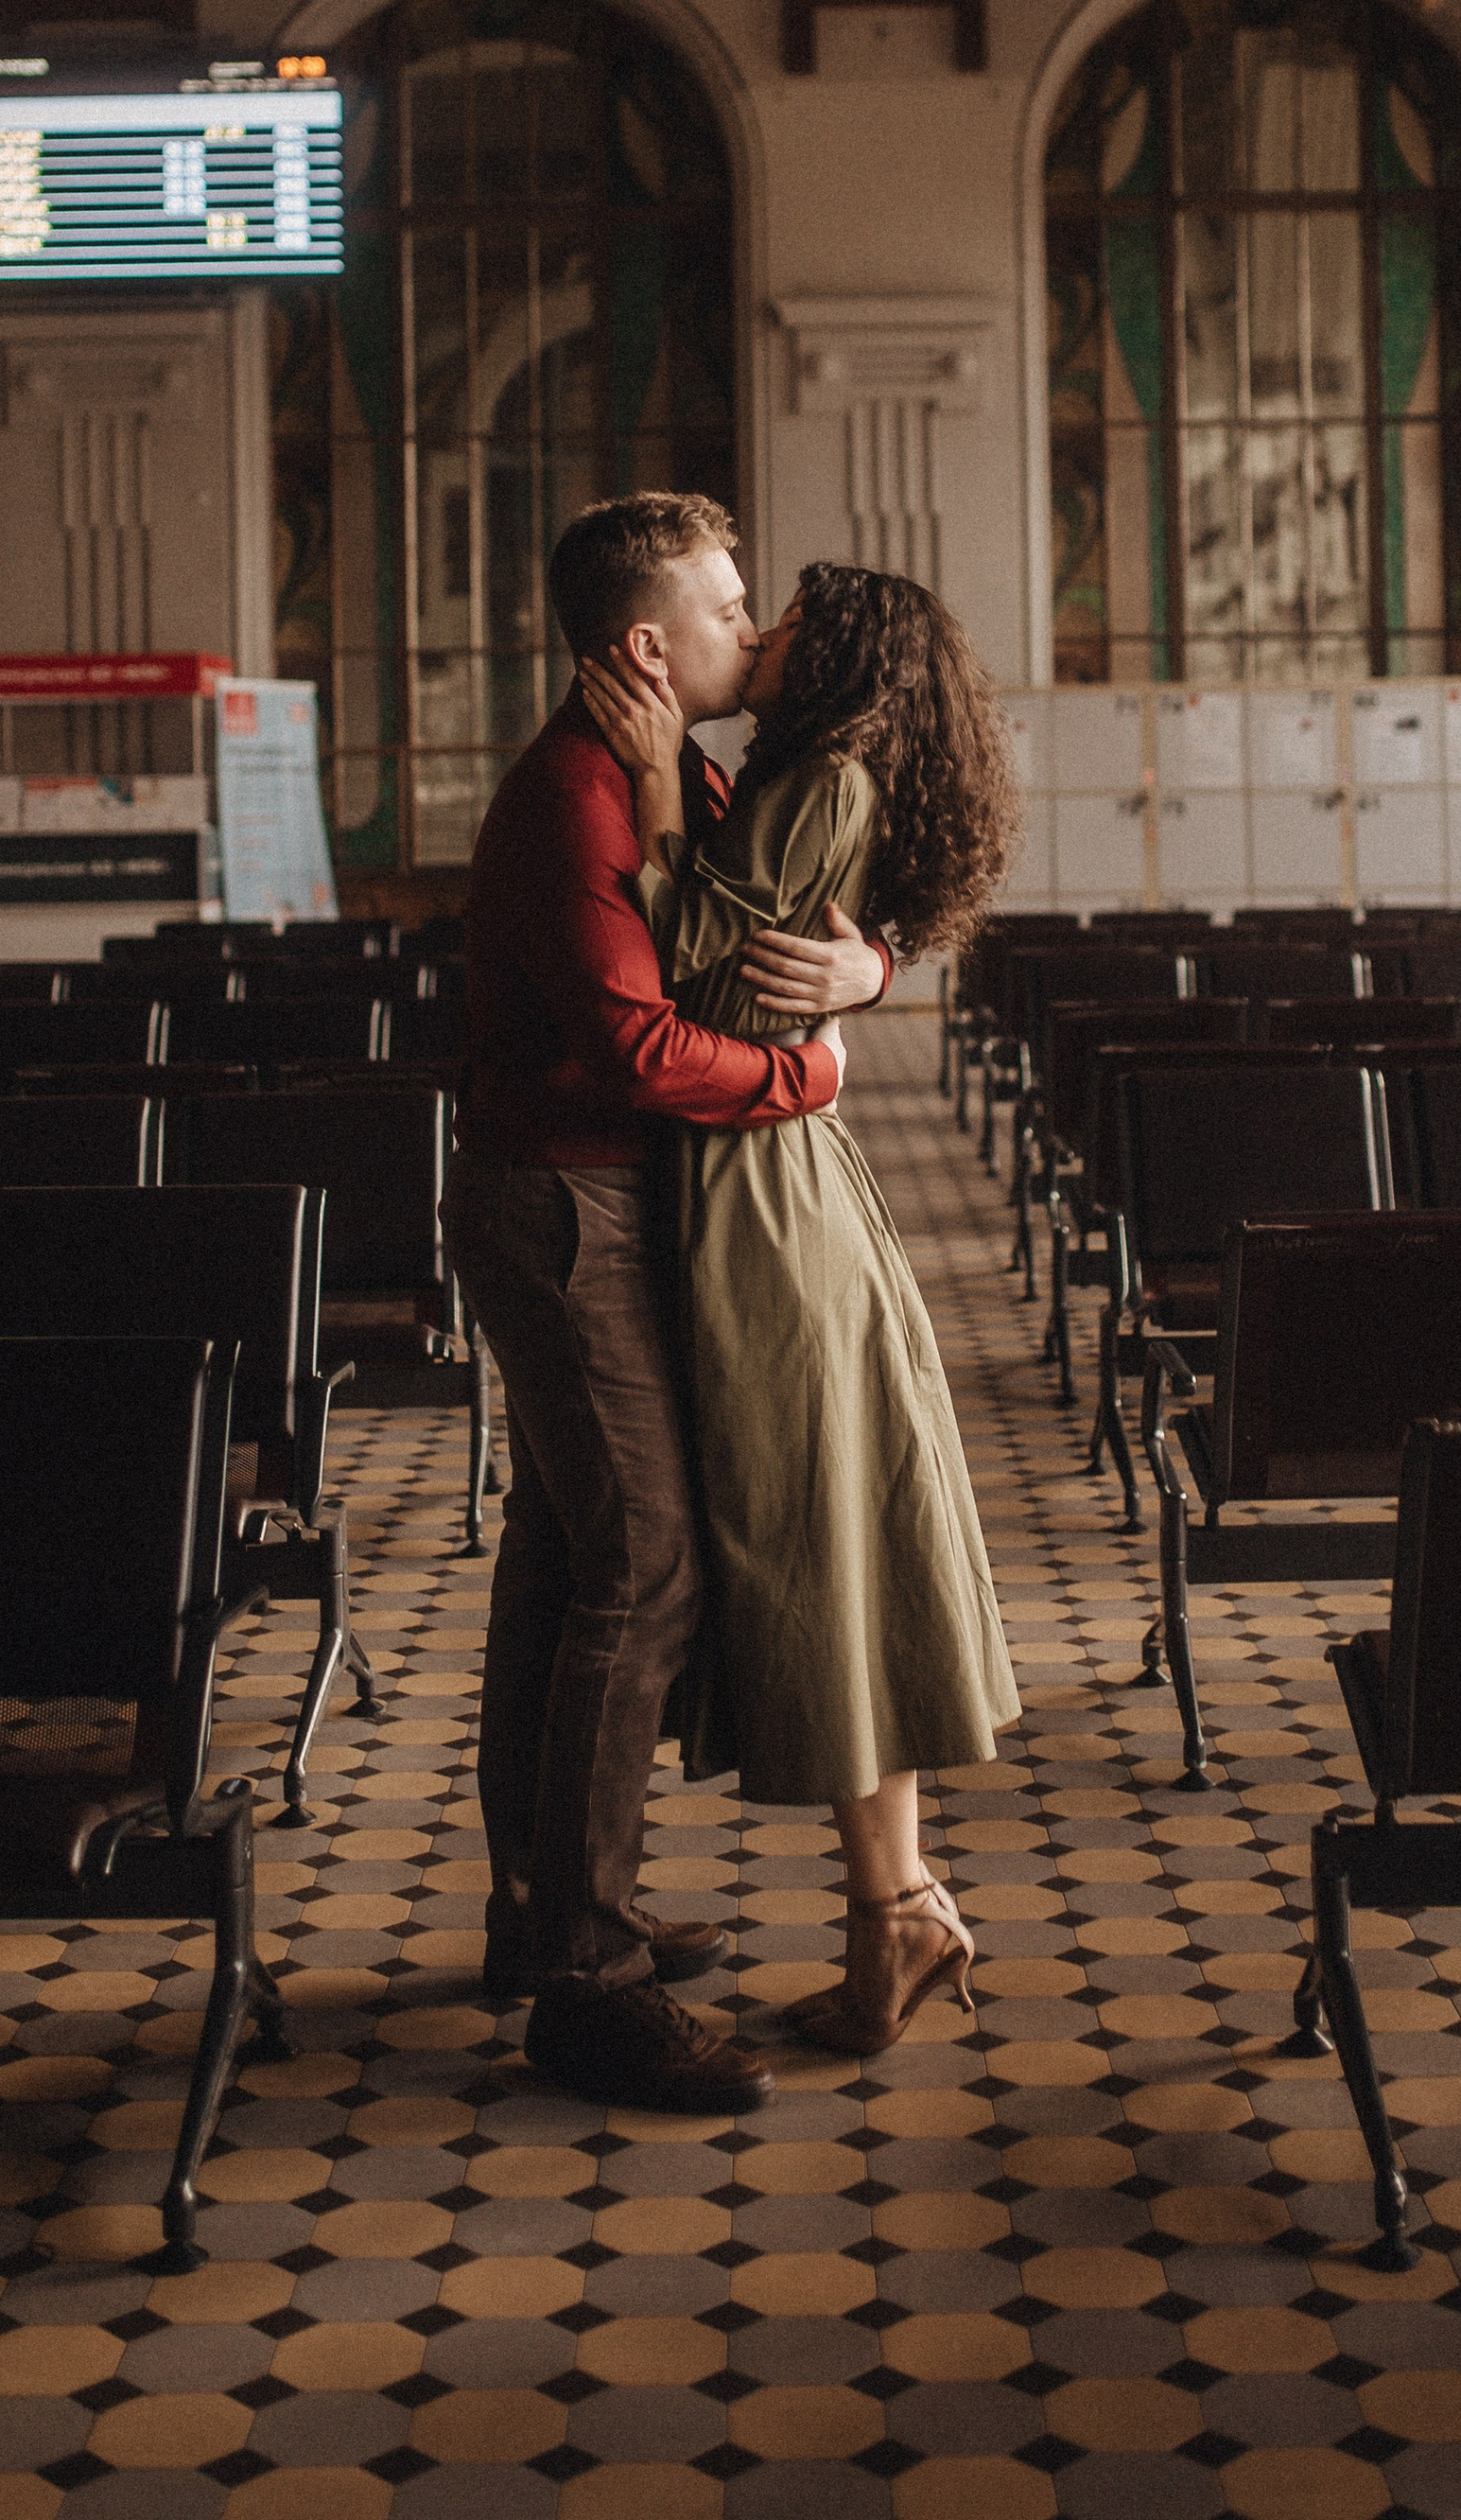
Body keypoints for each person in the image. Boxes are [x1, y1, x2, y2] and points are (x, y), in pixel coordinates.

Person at [445, 491, 891, 2117]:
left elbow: (766, 925)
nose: (752, 623)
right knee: (649, 1570)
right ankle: (589, 1981)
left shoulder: (677, 769)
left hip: (608, 1193)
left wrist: (867, 977)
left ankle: (541, 1916)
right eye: (728, 602)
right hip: (564, 1207)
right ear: (648, 641)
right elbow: (644, 1045)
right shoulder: (577, 794)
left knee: (567, 1561)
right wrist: (811, 1073)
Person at [579, 557, 1024, 2053]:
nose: (759, 634)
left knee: (818, 1541)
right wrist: (855, 983)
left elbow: (692, 970)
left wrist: (652, 780)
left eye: (790, 626)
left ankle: (898, 1912)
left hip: (762, 1195)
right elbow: (745, 948)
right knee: (834, 1540)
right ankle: (896, 1911)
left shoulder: (811, 776)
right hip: (773, 1176)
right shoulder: (802, 773)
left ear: (838, 662)